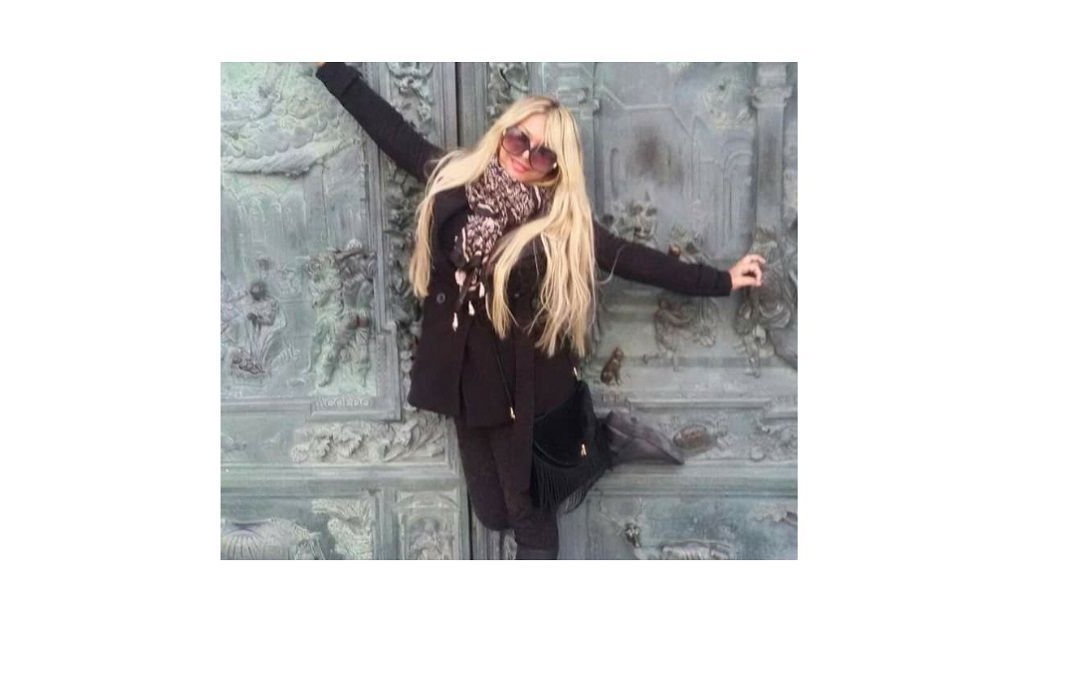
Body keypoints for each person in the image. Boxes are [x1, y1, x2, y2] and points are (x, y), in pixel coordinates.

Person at [313, 62, 765, 560]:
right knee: (493, 513)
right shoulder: (458, 179)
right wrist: (330, 69)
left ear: (556, 167)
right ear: (503, 134)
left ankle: (598, 446)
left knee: (528, 517)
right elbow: (393, 133)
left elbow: (631, 258)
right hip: (465, 379)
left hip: (522, 389)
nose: (526, 156)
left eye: (544, 152)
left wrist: (722, 280)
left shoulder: (559, 223)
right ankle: (601, 444)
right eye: (519, 140)